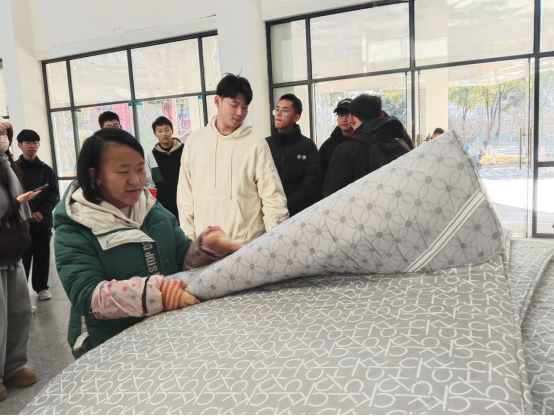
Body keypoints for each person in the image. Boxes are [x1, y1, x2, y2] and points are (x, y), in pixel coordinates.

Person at [54, 129, 242, 358]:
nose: (135, 180)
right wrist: (158, 293)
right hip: (115, 346)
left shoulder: (152, 208)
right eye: (123, 171)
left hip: (167, 334)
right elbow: (88, 296)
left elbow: (181, 258)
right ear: (96, 175)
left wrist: (205, 249)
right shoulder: (75, 225)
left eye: (140, 168)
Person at [178, 74, 289, 245]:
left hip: (246, 245)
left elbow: (272, 197)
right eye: (234, 105)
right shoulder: (195, 141)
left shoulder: (256, 143)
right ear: (217, 101)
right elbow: (185, 197)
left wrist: (275, 241)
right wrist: (188, 242)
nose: (240, 113)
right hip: (205, 248)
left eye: (245, 107)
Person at [0, 121, 42, 402]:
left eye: (4, 134)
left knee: (19, 313)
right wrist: (17, 203)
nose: (2, 139)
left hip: (13, 252)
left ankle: (13, 366)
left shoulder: (7, 165)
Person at [323, 94, 410, 198]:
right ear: (381, 116)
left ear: (352, 119)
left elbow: (332, 194)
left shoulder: (345, 150)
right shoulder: (400, 143)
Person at [16, 130, 60, 301]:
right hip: (22, 221)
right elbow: (14, 195)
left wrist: (42, 212)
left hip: (43, 221)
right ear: (20, 145)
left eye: (35, 142)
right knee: (23, 257)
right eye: (28, 143)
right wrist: (26, 214)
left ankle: (41, 287)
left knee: (42, 255)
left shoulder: (46, 170)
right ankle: (22, 293)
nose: (32, 146)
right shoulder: (14, 169)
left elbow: (53, 194)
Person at [265, 94, 322, 217]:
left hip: (298, 215)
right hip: (268, 213)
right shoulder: (264, 144)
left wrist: (285, 208)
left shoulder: (307, 146)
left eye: (285, 110)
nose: (278, 114)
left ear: (296, 117)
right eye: (277, 109)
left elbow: (311, 185)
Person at [145, 117, 183, 221]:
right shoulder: (151, 156)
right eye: (160, 131)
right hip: (163, 206)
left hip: (185, 201)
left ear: (172, 130)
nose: (164, 134)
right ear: (155, 134)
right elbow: (150, 183)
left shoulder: (184, 150)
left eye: (167, 130)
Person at [319, 99, 355, 178]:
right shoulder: (327, 146)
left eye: (348, 115)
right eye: (340, 115)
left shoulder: (362, 142)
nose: (344, 119)